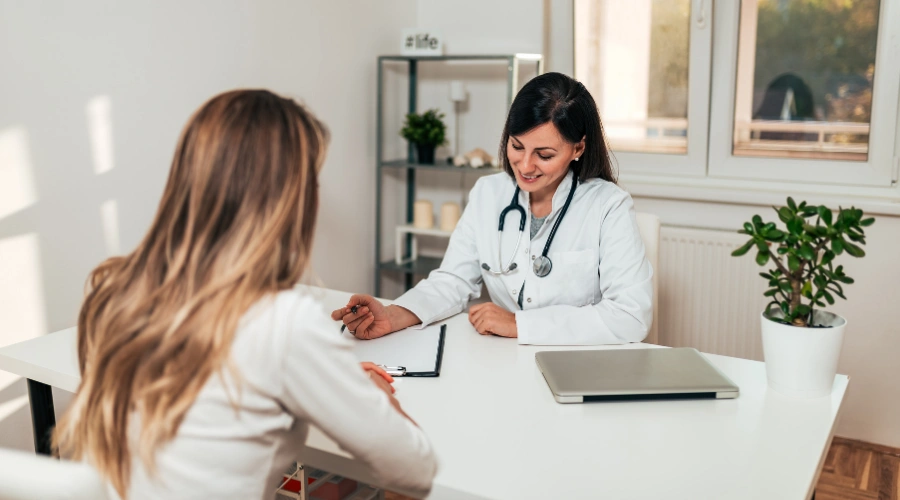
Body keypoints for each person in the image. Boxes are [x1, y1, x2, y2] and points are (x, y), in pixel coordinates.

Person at [54, 90, 437, 499]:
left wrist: (330, 376)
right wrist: (372, 393)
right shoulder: (281, 321)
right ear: (290, 199)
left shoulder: (117, 288)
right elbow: (414, 469)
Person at [334, 73, 653, 345]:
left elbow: (630, 315)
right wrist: (392, 316)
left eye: (544, 155)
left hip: (577, 363)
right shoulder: (489, 193)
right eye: (517, 146)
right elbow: (453, 280)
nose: (525, 166)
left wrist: (519, 325)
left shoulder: (608, 206)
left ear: (578, 147)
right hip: (505, 358)